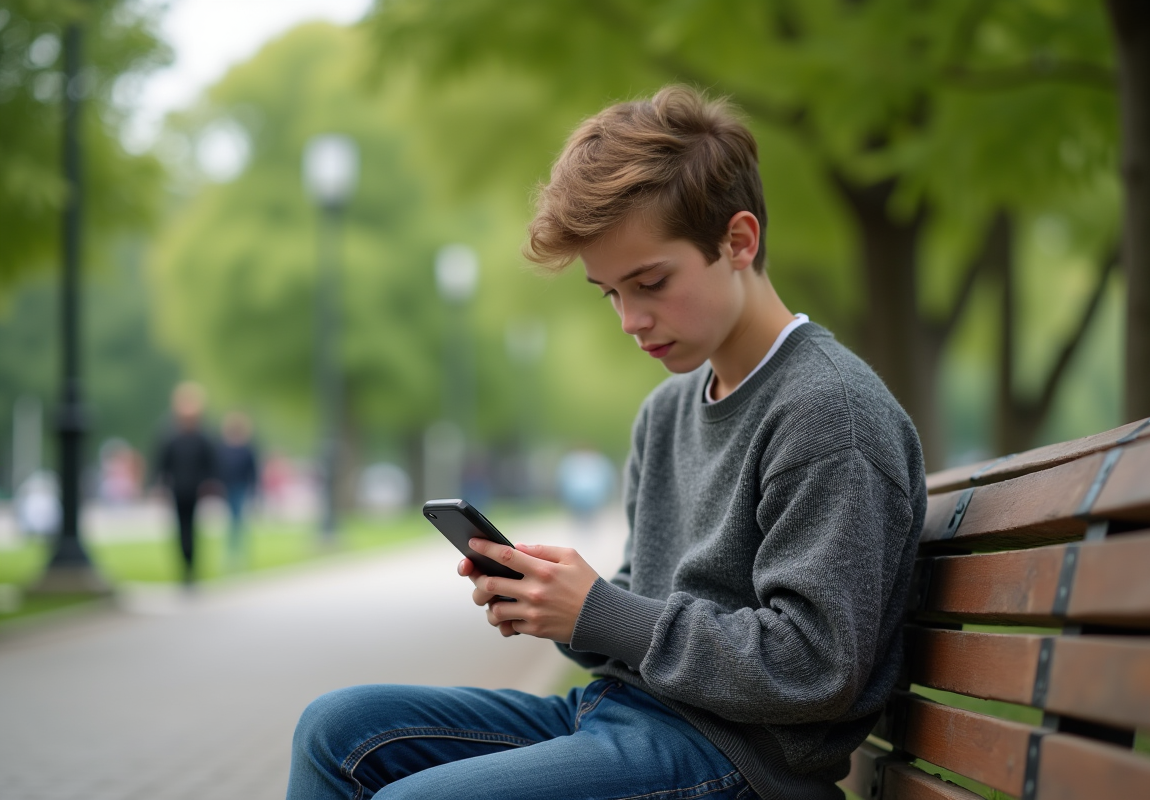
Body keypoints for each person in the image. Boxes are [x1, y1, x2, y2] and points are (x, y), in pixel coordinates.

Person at [288, 85, 926, 800]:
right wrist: (552, 604)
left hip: (740, 762)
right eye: (610, 293)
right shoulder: (668, 410)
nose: (630, 319)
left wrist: (598, 610)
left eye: (650, 282)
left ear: (738, 241)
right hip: (621, 716)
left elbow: (814, 666)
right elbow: (638, 616)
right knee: (337, 730)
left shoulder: (829, 413)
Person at [153, 382, 219, 586]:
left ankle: (191, 567)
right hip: (177, 489)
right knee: (180, 529)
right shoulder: (170, 435)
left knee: (192, 529)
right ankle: (184, 568)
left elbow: (211, 463)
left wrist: (209, 483)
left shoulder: (202, 436)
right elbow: (161, 462)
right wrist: (160, 485)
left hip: (195, 490)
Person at [218, 411, 259, 570]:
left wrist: (254, 490)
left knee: (237, 520)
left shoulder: (246, 448)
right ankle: (232, 553)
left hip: (241, 487)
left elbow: (252, 471)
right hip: (228, 486)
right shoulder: (224, 447)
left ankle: (238, 553)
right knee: (232, 520)